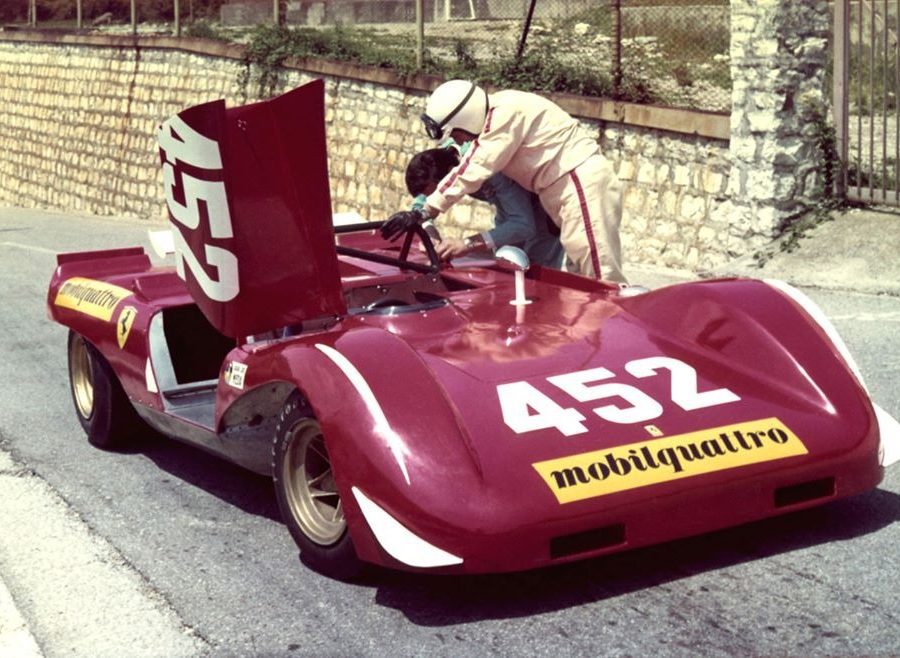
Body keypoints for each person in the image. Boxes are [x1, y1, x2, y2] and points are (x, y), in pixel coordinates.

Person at [381, 80, 626, 283]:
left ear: (465, 118)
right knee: (582, 282)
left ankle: (620, 338)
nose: (457, 139)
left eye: (456, 132)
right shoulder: (493, 118)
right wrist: (424, 221)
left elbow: (474, 167)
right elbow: (440, 183)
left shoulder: (503, 116)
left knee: (602, 278)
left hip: (578, 183)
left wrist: (429, 213)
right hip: (564, 190)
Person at [404, 147, 565, 268]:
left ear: (449, 174)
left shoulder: (490, 170)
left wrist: (466, 244)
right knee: (504, 267)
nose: (438, 199)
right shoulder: (436, 163)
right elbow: (421, 204)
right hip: (510, 210)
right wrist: (430, 231)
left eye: (439, 193)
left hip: (544, 211)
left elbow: (524, 226)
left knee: (535, 276)